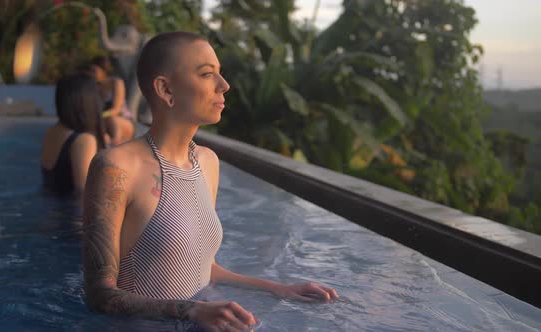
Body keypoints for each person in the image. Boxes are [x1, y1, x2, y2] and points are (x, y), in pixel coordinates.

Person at [82, 32, 338, 331]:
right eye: (207, 74)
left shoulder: (207, 162)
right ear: (165, 89)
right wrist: (191, 311)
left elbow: (204, 269)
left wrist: (277, 288)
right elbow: (99, 295)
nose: (224, 85)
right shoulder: (116, 168)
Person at [41, 73, 106, 196]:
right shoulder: (84, 140)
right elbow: (85, 192)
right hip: (71, 213)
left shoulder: (51, 132)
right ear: (90, 102)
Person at [90, 56, 135, 145]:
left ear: (104, 71)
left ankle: (115, 142)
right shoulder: (94, 87)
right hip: (103, 121)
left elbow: (116, 109)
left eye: (95, 71)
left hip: (122, 120)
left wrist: (100, 116)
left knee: (111, 119)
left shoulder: (116, 83)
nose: (92, 74)